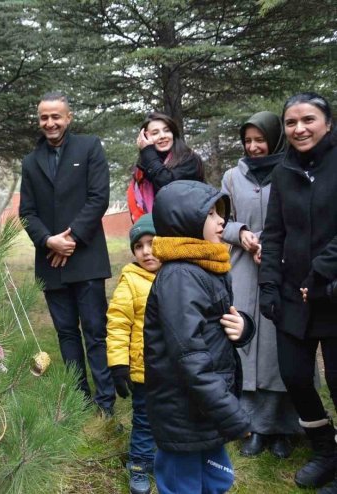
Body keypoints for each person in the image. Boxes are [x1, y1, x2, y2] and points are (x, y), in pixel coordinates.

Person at [144, 180, 254, 494]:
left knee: (217, 479)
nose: (222, 221)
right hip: (184, 409)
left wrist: (243, 327)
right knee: (183, 484)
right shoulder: (180, 276)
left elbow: (219, 322)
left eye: (221, 213)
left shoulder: (207, 266)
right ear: (185, 221)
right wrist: (230, 412)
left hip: (205, 406)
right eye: (210, 214)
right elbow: (189, 355)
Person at [19, 91, 115, 415]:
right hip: (50, 262)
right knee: (66, 334)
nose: (50, 123)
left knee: (95, 331)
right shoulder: (30, 163)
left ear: (68, 117)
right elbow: (27, 213)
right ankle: (80, 399)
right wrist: (48, 241)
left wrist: (69, 239)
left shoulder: (89, 148)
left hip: (86, 258)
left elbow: (98, 197)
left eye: (56, 116)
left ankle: (105, 401)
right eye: (44, 117)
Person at [259, 92, 337, 491]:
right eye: (291, 123)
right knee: (295, 376)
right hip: (292, 295)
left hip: (332, 292)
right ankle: (326, 448)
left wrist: (321, 271)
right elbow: (274, 235)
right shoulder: (284, 170)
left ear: (327, 122)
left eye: (308, 119)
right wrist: (269, 285)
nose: (299, 129)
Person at [221, 111, 300, 459]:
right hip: (242, 269)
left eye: (260, 139)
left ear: (275, 138)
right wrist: (240, 234)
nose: (253, 147)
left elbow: (301, 218)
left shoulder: (292, 170)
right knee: (245, 345)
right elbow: (219, 219)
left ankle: (284, 427)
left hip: (284, 269)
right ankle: (251, 426)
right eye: (247, 141)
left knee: (279, 346)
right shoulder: (231, 176)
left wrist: (272, 247)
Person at [106, 214, 159, 494]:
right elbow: (117, 325)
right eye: (139, 246)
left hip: (174, 371)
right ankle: (139, 465)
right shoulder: (130, 281)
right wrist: (118, 365)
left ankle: (163, 460)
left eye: (152, 243)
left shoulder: (178, 275)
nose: (146, 251)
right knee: (144, 421)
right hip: (143, 371)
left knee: (170, 419)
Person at [127, 111, 205, 222]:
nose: (162, 136)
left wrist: (148, 153)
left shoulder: (189, 159)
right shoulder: (141, 170)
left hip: (186, 227)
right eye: (155, 133)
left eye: (167, 130)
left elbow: (167, 185)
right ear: (144, 138)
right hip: (153, 231)